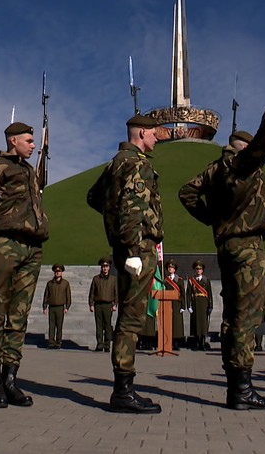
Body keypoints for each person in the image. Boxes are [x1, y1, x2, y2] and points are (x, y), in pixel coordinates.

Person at [178, 70, 265, 410]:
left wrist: (212, 217)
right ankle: (242, 389)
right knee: (246, 316)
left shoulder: (214, 170)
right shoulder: (242, 165)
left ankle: (234, 384)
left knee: (232, 314)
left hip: (225, 246)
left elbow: (186, 193)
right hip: (246, 247)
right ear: (243, 148)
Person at [87, 113, 164, 414]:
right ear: (141, 133)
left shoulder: (114, 163)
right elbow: (133, 205)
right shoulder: (138, 164)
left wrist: (112, 218)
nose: (157, 138)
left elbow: (94, 197)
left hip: (125, 246)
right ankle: (123, 391)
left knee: (129, 317)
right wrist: (132, 243)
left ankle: (124, 388)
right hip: (138, 248)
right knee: (132, 319)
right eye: (154, 134)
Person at [0, 123, 48, 409]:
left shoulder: (29, 171)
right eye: (29, 141)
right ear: (13, 141)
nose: (33, 145)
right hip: (4, 245)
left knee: (19, 317)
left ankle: (10, 380)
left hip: (32, 248)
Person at [88, 257, 118, 352]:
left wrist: (115, 304)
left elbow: (116, 292)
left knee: (108, 326)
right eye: (103, 266)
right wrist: (91, 304)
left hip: (108, 305)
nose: (105, 268)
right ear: (101, 267)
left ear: (109, 267)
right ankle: (100, 344)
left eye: (106, 266)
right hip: (98, 305)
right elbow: (92, 292)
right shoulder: (96, 279)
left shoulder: (113, 279)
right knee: (99, 325)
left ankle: (107, 345)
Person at [185, 261, 213, 351]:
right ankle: (197, 343)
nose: (198, 270)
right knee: (196, 323)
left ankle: (203, 343)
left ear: (202, 270)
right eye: (197, 269)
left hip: (204, 303)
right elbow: (188, 293)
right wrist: (188, 305)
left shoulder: (206, 280)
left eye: (200, 269)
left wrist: (210, 306)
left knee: (203, 324)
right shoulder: (191, 280)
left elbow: (210, 293)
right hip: (195, 303)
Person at [42, 264, 71, 349]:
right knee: (51, 326)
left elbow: (68, 296)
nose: (57, 273)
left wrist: (67, 307)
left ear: (61, 272)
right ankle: (51, 342)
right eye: (56, 272)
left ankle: (58, 342)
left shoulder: (65, 283)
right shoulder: (50, 283)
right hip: (51, 307)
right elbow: (46, 295)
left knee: (59, 326)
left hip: (60, 307)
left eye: (59, 271)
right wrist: (44, 307)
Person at [164, 260, 186, 350]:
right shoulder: (165, 280)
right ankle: (169, 342)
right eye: (169, 268)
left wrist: (183, 306)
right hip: (168, 303)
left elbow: (183, 293)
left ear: (175, 269)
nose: (170, 269)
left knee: (176, 324)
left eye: (172, 268)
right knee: (169, 323)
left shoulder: (179, 280)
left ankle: (176, 343)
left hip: (177, 304)